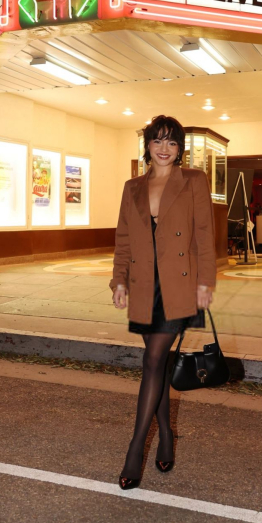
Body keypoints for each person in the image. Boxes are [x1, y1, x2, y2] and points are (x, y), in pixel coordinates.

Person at [110, 115, 217, 490]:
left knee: (153, 360)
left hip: (178, 285)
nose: (165, 148)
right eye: (158, 141)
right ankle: (167, 434)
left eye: (172, 142)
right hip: (143, 286)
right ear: (148, 145)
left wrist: (206, 282)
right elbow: (123, 238)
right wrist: (118, 280)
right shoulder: (132, 186)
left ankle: (135, 449)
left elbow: (204, 234)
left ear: (180, 148)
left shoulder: (193, 181)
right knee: (156, 366)